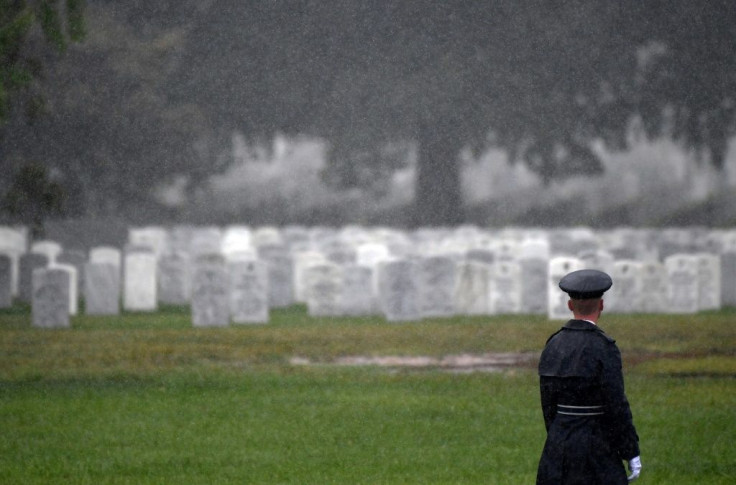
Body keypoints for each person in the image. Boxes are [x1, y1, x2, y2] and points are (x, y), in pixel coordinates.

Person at [536, 269, 641, 484]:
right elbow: (616, 404)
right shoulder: (604, 347)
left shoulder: (553, 344)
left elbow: (548, 402)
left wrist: (558, 434)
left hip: (558, 445)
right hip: (597, 447)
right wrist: (629, 450)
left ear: (570, 305)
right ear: (601, 305)